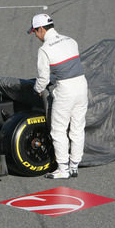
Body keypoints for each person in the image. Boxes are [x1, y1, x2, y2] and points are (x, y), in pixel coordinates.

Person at [28, 14, 89, 179]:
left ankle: (63, 169)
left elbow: (43, 79)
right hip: (82, 86)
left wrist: (37, 90)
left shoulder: (45, 49)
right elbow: (68, 66)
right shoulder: (71, 40)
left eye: (35, 31)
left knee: (58, 130)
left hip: (65, 91)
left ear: (41, 29)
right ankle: (75, 165)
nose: (35, 35)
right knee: (77, 128)